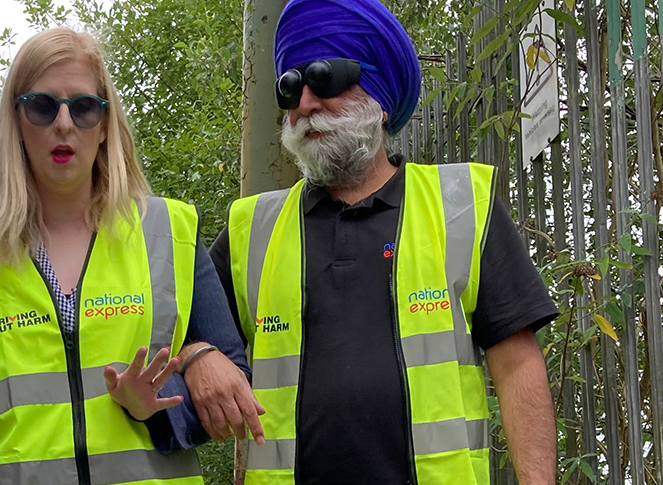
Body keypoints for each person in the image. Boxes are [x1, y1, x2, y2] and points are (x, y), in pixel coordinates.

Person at [209, 1, 558, 484]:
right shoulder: (252, 228)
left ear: (378, 91)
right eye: (290, 89)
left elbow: (518, 364)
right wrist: (198, 355)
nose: (305, 105)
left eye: (323, 78)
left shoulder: (462, 205)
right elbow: (190, 336)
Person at [0, 27, 263, 485]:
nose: (64, 124)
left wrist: (153, 408)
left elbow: (230, 387)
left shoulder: (170, 232)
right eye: (43, 106)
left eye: (83, 107)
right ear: (17, 121)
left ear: (105, 126)